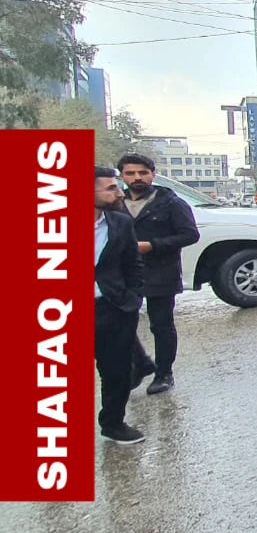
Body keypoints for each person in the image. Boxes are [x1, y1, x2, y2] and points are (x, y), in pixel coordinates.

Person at [119, 153, 200, 396]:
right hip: (122, 273)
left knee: (161, 325)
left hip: (160, 271)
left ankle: (164, 373)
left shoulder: (170, 202)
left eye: (143, 173)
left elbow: (190, 234)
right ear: (122, 176)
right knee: (120, 323)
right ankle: (140, 364)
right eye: (130, 173)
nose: (137, 177)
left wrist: (153, 245)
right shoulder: (115, 202)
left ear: (152, 174)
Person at [93, 166, 147, 444]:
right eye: (111, 188)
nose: (119, 193)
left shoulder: (120, 223)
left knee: (117, 372)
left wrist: (132, 298)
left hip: (112, 307)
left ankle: (113, 423)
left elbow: (132, 264)